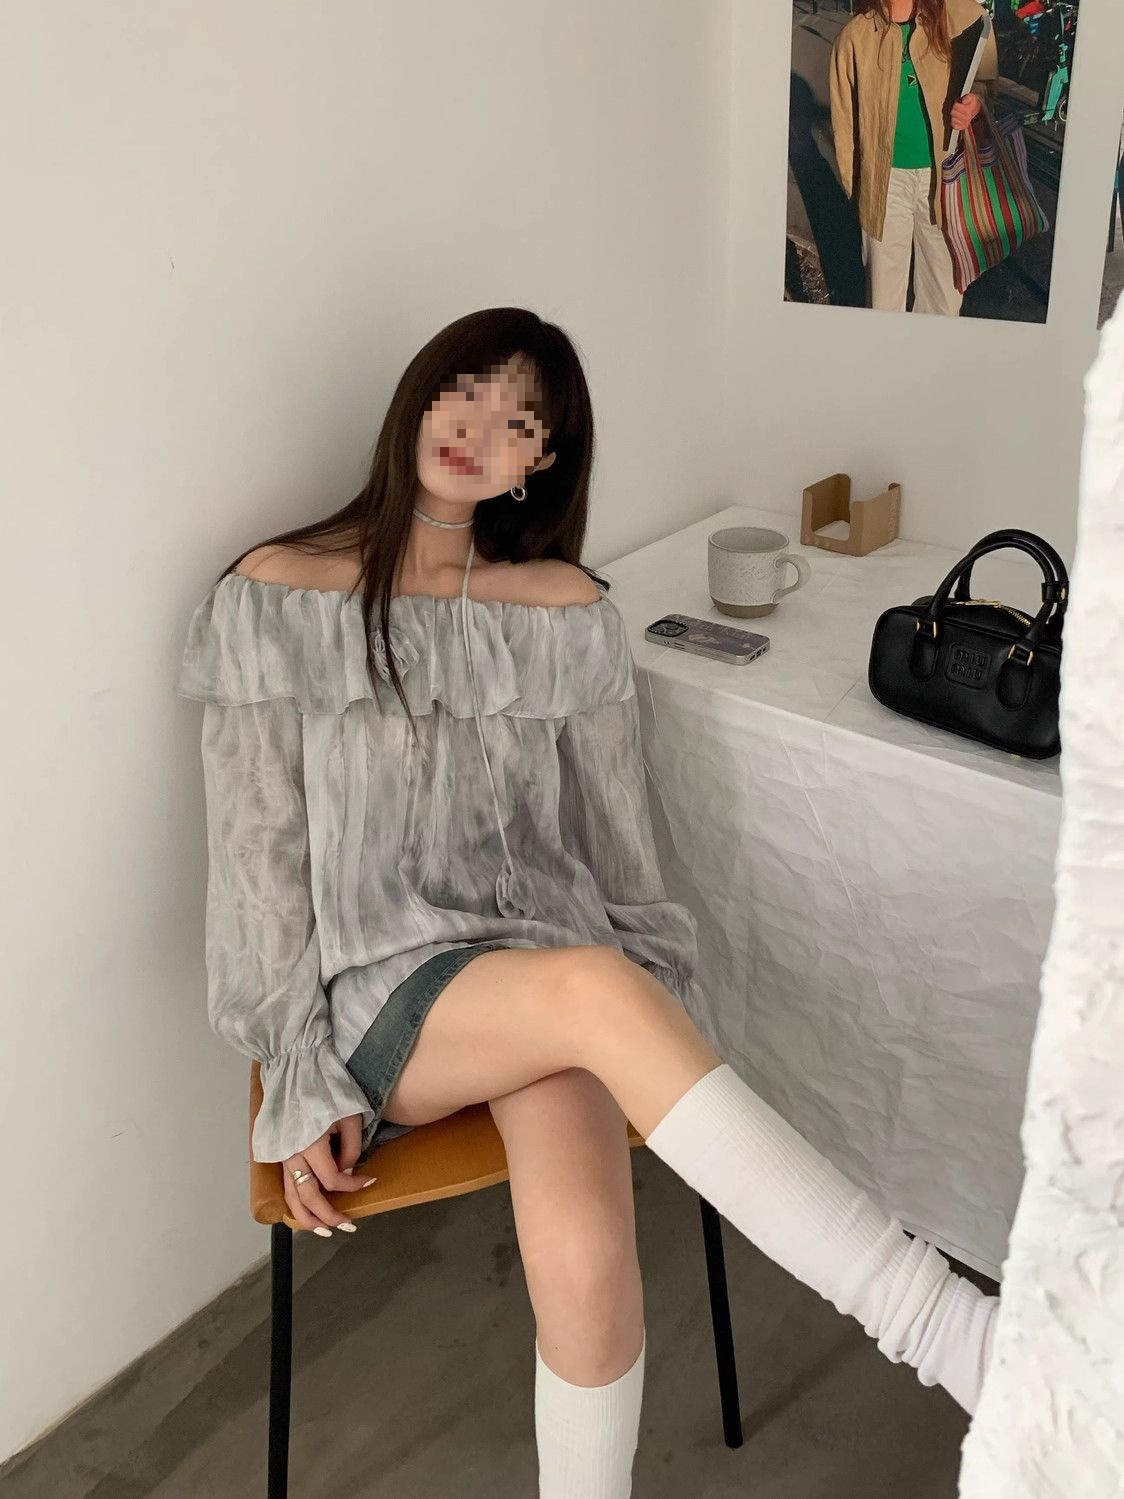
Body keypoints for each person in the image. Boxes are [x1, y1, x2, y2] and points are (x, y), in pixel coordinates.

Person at [176, 306, 1000, 1494]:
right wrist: (293, 1071)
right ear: (420, 392)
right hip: (384, 993)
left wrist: (646, 1014)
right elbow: (256, 866)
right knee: (590, 993)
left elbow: (620, 857)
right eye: (467, 388)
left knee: (593, 1250)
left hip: (554, 978)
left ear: (539, 464)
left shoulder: (562, 608)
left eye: (520, 421)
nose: (479, 427)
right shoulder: (278, 593)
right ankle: (949, 1332)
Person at [830, 0, 999, 314]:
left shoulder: (962, 17)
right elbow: (844, 126)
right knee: (883, 302)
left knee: (943, 300)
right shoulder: (855, 37)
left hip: (945, 180)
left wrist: (975, 103)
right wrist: (861, 191)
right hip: (884, 184)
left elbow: (985, 83)